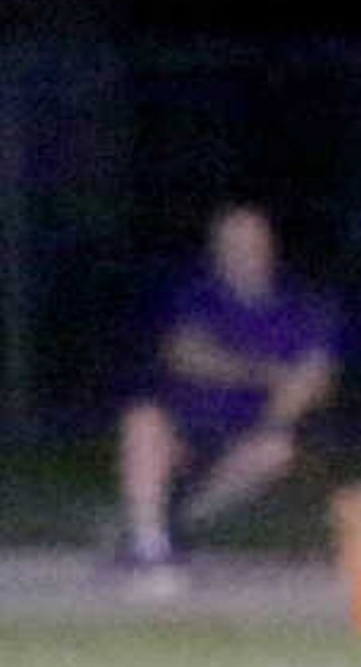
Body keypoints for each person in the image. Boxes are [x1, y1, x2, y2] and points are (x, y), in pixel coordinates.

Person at [114, 203, 341, 593]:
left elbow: (315, 377)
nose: (242, 253)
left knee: (274, 450)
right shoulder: (197, 297)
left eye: (251, 243)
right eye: (231, 244)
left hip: (252, 428)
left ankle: (176, 525)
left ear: (269, 247)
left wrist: (273, 419)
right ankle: (148, 545)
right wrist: (264, 372)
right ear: (217, 250)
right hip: (190, 423)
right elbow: (184, 355)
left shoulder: (302, 307)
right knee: (143, 421)